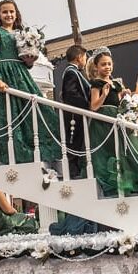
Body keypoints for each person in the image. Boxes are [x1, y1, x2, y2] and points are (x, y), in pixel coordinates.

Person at [0, 0, 62, 165]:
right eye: (5, 12)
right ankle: (18, 152)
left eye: (11, 11)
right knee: (11, 112)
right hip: (4, 74)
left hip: (21, 75)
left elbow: (25, 63)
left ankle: (41, 150)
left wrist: (30, 60)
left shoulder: (22, 33)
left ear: (16, 14)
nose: (8, 15)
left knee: (39, 109)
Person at [89, 47, 138, 196]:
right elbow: (93, 107)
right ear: (96, 67)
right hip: (103, 121)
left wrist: (125, 95)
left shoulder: (116, 84)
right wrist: (104, 94)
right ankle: (113, 186)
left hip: (117, 119)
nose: (107, 67)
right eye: (103, 64)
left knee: (127, 148)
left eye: (109, 64)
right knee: (110, 151)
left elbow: (120, 103)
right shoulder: (96, 84)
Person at [61, 45, 90, 178]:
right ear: (79, 57)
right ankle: (73, 171)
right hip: (74, 115)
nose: (86, 60)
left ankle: (76, 169)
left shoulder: (74, 72)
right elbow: (71, 94)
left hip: (78, 114)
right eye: (85, 57)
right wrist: (86, 105)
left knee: (78, 141)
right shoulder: (71, 72)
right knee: (74, 141)